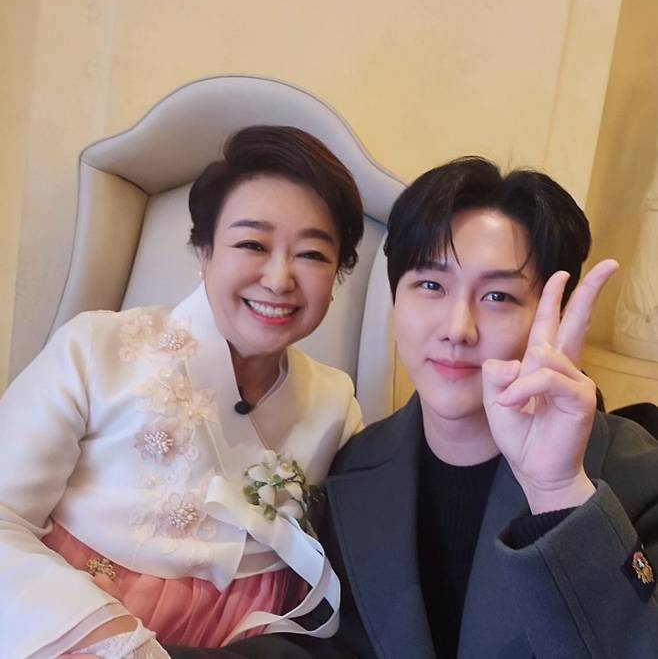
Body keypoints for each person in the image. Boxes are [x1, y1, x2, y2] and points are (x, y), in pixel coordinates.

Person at [173, 156, 658, 659]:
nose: (457, 328)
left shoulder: (637, 476)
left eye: (498, 296)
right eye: (431, 286)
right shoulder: (355, 468)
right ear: (395, 299)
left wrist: (556, 492)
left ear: (552, 317)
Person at [0, 125, 366, 658]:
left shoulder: (336, 404)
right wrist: (117, 646)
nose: (280, 279)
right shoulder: (96, 348)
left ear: (337, 274)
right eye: (252, 244)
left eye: (312, 254)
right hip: (77, 627)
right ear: (205, 250)